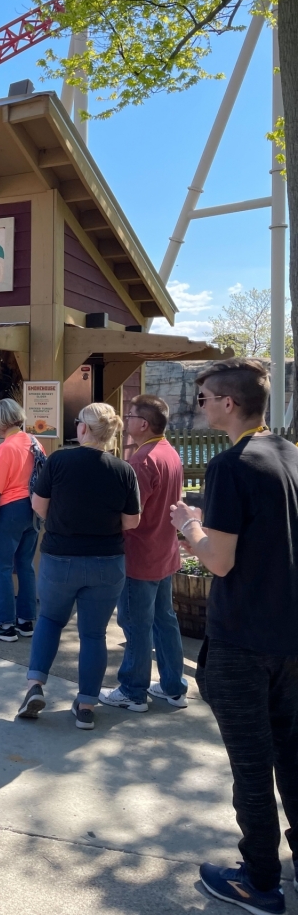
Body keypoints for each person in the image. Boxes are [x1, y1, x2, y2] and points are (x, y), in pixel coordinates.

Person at [170, 358, 298, 915]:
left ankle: (259, 881)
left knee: (250, 767)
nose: (198, 407)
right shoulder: (291, 457)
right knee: (293, 759)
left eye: (203, 399)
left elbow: (219, 561)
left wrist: (188, 527)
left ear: (227, 403)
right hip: (290, 636)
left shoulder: (230, 465)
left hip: (241, 639)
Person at [17, 402, 141, 730]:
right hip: (107, 562)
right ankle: (86, 705)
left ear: (83, 428)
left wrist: (62, 520)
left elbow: (39, 505)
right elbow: (132, 521)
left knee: (50, 620)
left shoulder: (59, 460)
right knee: (93, 634)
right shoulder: (123, 470)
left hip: (61, 557)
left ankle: (35, 686)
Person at [99, 394, 187, 711]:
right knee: (164, 621)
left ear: (144, 423)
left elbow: (129, 515)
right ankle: (173, 687)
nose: (127, 419)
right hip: (165, 551)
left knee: (136, 625)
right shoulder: (169, 452)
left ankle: (133, 691)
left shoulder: (142, 461)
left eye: (131, 414)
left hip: (140, 556)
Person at [0, 398, 40, 642]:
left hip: (11, 509)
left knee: (2, 567)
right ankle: (26, 620)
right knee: (26, 565)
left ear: (0, 420)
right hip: (33, 508)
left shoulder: (5, 447)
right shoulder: (34, 442)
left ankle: (4, 625)